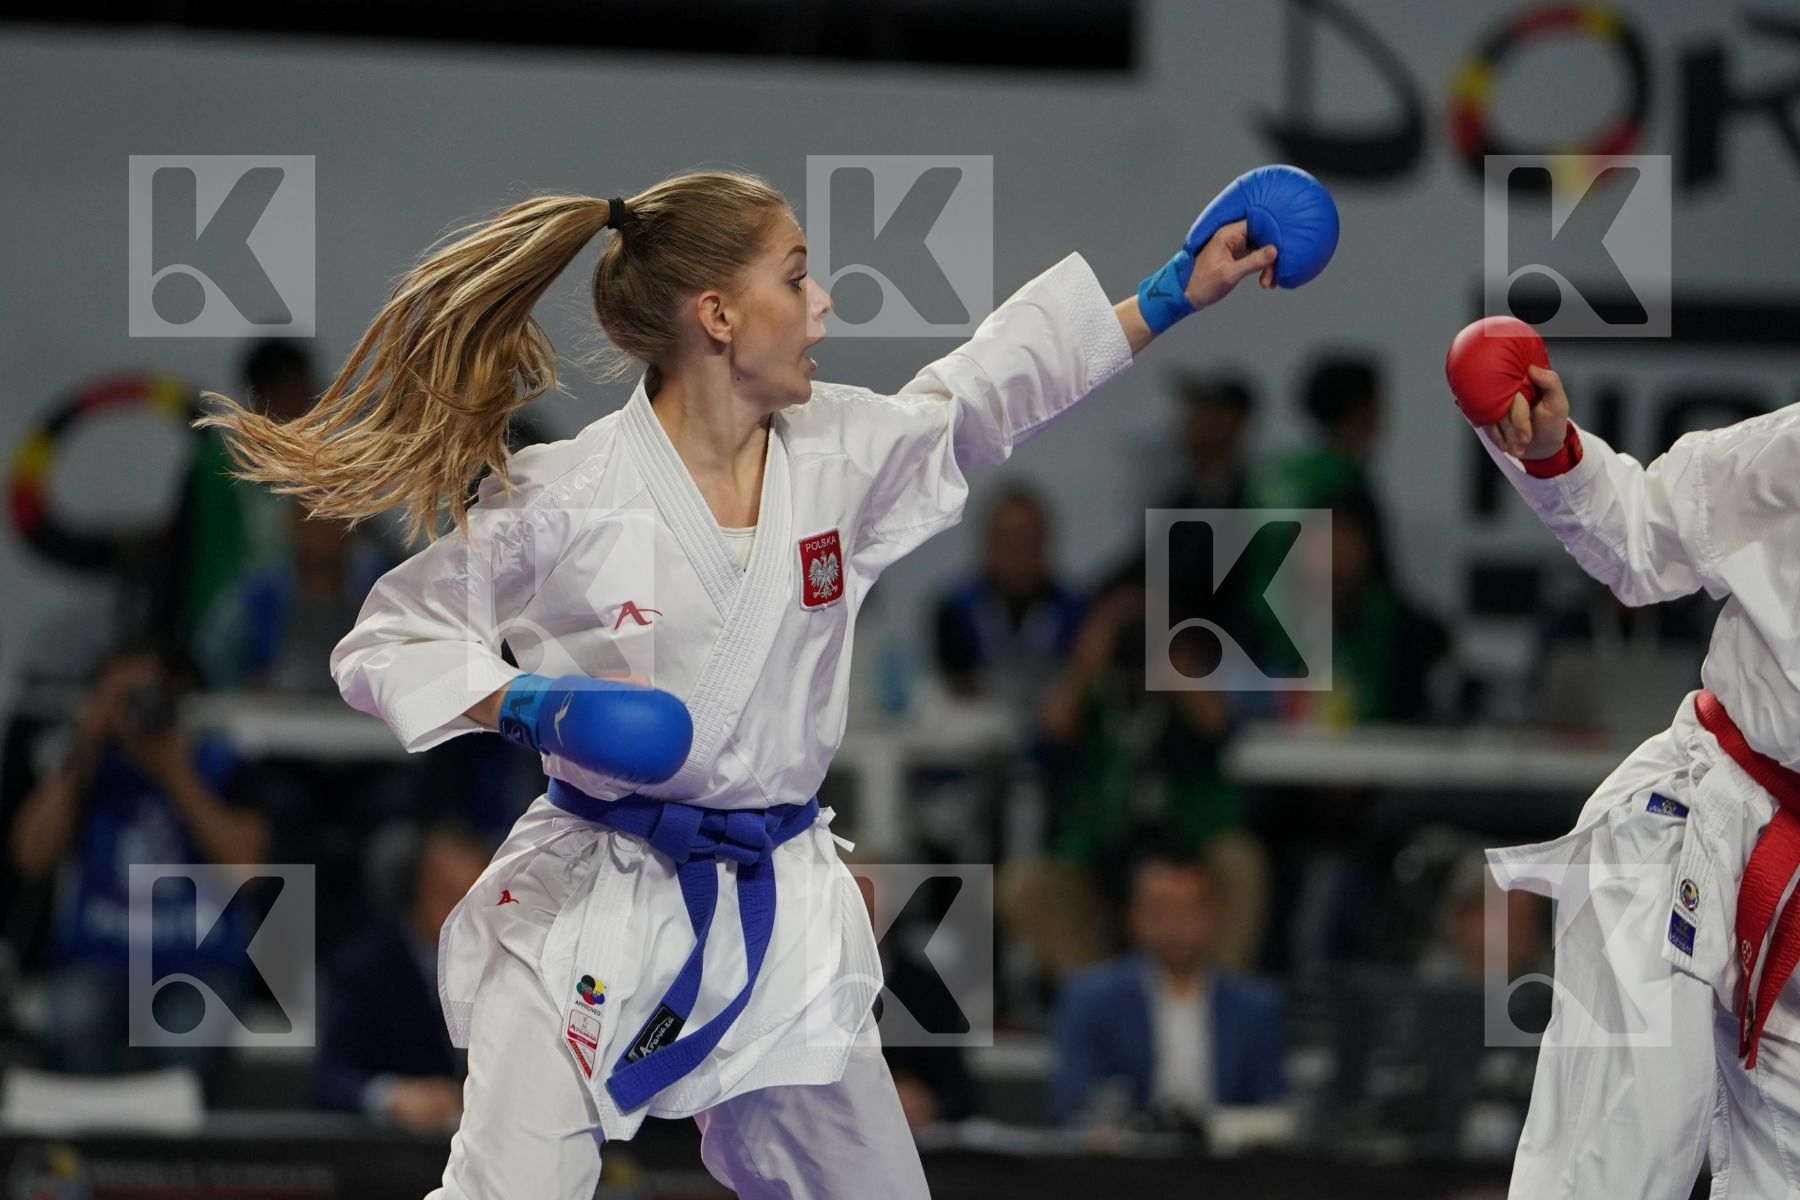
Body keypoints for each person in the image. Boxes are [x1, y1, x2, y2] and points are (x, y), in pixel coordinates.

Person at [193, 168, 1296, 1200]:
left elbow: (980, 393)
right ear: (717, 315)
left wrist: (1166, 296)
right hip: (595, 896)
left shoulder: (838, 454)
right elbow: (386, 639)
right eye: (797, 277)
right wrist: (528, 704)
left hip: (778, 913)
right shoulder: (570, 493)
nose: (821, 310)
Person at [1473, 363, 1800, 1199]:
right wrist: (1555, 454)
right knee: (1626, 1148)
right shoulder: (1784, 458)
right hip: (1697, 818)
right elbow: (1638, 537)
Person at [8, 638, 271, 1093]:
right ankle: (90, 1159)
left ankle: (181, 1165)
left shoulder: (219, 761)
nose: (133, 709)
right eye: (119, 697)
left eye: (144, 695)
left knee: (187, 1043)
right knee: (74, 1022)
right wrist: (83, 750)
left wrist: (172, 768)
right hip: (99, 957)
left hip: (197, 960)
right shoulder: (87, 768)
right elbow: (29, 855)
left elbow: (247, 871)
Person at [1050, 851, 1286, 1130]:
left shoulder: (1256, 1007)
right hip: (1126, 1164)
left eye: (1187, 910)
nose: (1175, 925)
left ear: (1213, 916)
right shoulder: (1089, 998)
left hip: (1228, 1164)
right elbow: (1073, 1105)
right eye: (1161, 910)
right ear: (1135, 916)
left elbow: (1272, 1109)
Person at [315, 821, 490, 1132]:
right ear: (416, 889)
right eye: (447, 894)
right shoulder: (364, 971)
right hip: (394, 1159)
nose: (462, 913)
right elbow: (329, 1078)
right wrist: (390, 1096)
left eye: (474, 898)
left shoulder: (511, 968)